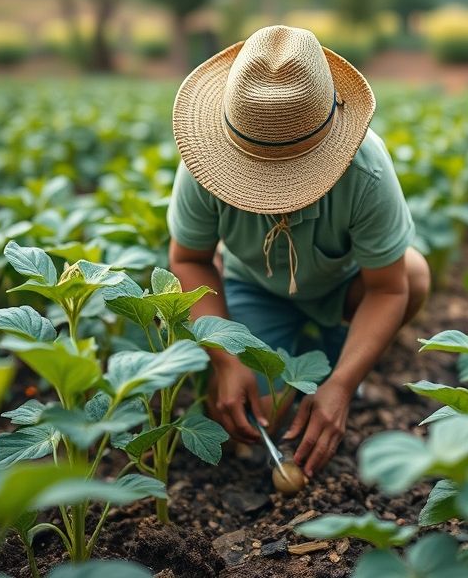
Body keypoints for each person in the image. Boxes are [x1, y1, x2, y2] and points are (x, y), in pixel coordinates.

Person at [167, 25, 429, 479]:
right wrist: (225, 359)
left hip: (343, 285)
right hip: (253, 284)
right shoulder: (200, 169)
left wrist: (343, 385)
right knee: (265, 414)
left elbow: (387, 289)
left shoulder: (366, 170)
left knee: (414, 274)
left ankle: (338, 356)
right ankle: (308, 352)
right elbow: (189, 260)